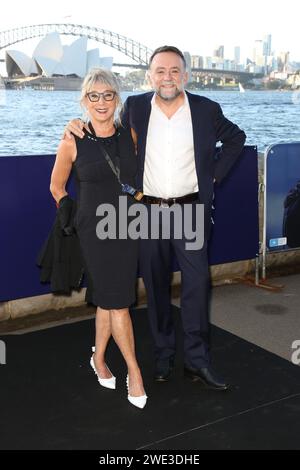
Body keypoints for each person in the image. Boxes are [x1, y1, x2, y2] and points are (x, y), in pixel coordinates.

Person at [65, 46, 246, 391]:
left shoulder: (207, 110)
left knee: (196, 287)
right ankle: (163, 355)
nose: (168, 77)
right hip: (147, 213)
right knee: (156, 287)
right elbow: (105, 130)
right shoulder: (134, 108)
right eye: (160, 71)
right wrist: (76, 125)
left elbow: (236, 139)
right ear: (150, 76)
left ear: (186, 76)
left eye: (175, 71)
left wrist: (213, 177)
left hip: (190, 211)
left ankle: (197, 361)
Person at [50, 68, 147, 408]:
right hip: (93, 231)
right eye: (94, 95)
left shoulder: (129, 136)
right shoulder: (71, 140)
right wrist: (68, 211)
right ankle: (135, 373)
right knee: (118, 302)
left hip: (127, 227)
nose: (102, 102)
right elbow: (56, 187)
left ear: (117, 99)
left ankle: (99, 358)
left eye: (108, 95)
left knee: (109, 299)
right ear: (84, 100)